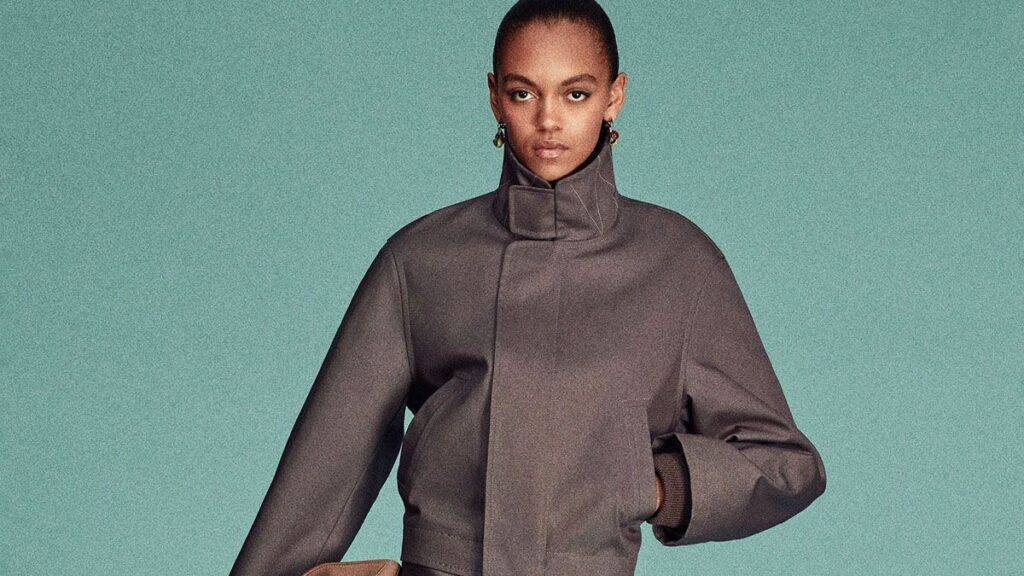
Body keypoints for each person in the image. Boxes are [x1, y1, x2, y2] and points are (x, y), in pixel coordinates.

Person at [229, 1, 826, 575]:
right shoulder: (420, 259)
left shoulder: (678, 263)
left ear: (614, 96)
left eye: (576, 93)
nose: (548, 120)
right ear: (494, 96)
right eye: (523, 93)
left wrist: (651, 485)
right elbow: (327, 462)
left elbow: (785, 465)